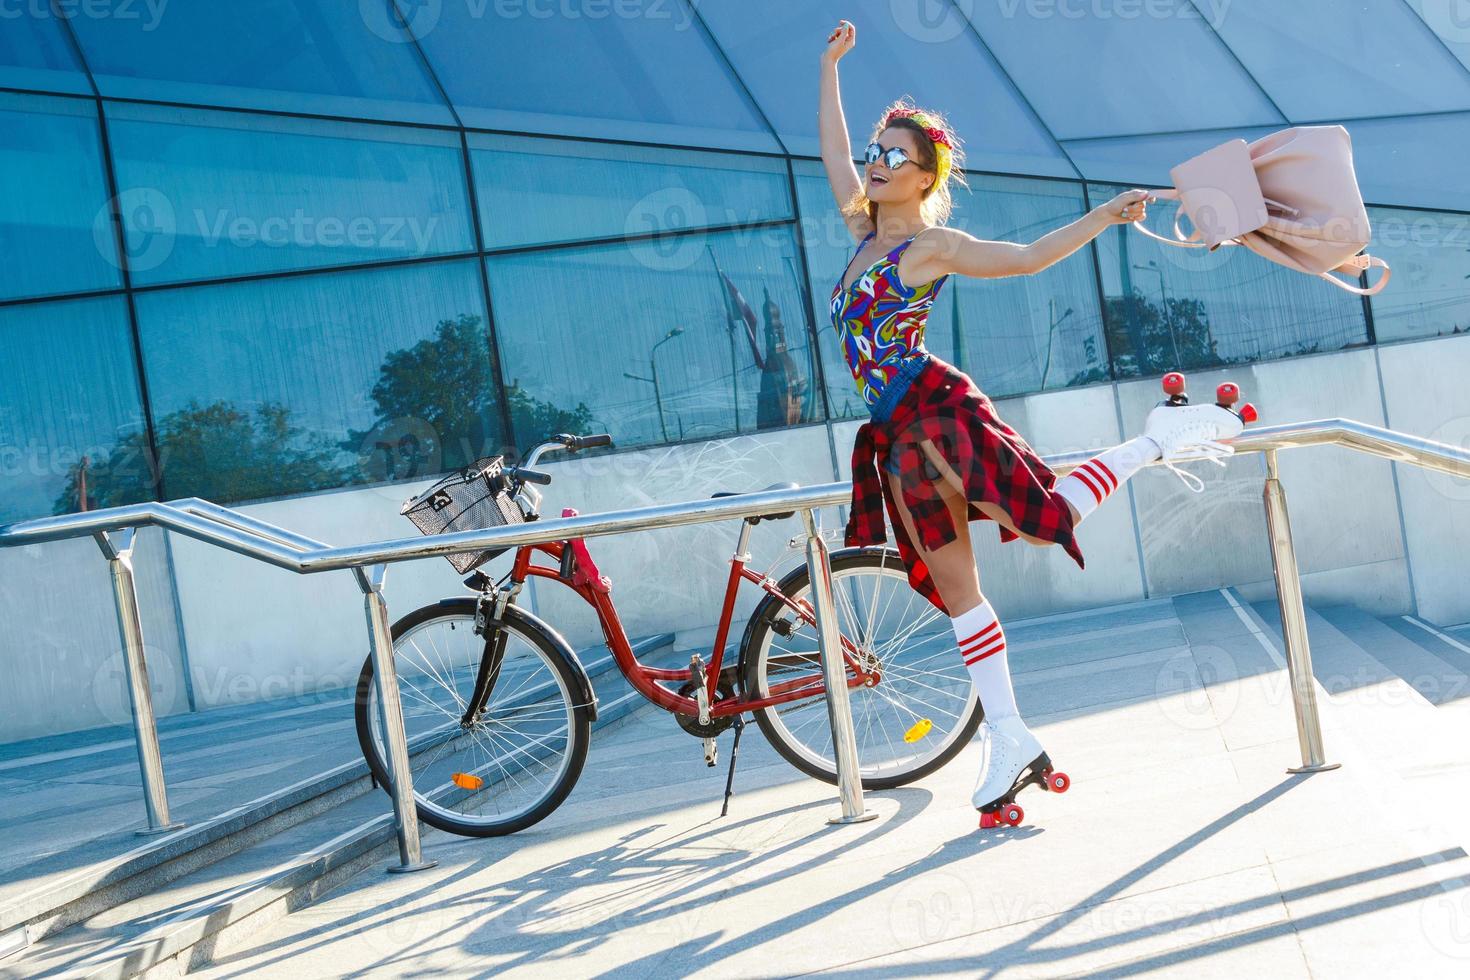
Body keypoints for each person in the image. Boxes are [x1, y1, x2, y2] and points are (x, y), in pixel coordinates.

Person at [819, 19, 1249, 819]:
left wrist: (1104, 217)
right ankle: (1010, 737)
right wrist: (831, 70)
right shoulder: (861, 236)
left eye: (892, 158)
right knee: (958, 592)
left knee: (1046, 512)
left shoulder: (929, 247)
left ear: (923, 178)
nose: (875, 166)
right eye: (875, 153)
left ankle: (1160, 435)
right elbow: (833, 156)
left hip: (933, 409)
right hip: (894, 436)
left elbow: (1024, 260)